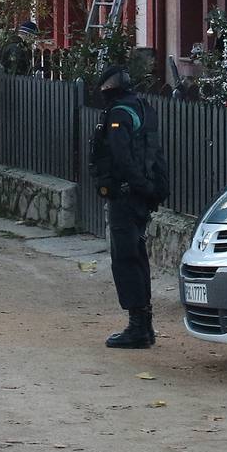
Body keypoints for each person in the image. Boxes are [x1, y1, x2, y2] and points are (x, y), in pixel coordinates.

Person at [90, 66, 163, 350]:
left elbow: (121, 158)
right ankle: (144, 324)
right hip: (141, 193)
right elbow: (154, 152)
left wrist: (136, 187)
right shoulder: (144, 108)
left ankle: (138, 327)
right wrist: (152, 190)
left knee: (125, 258)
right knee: (137, 255)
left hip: (126, 194)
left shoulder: (119, 113)